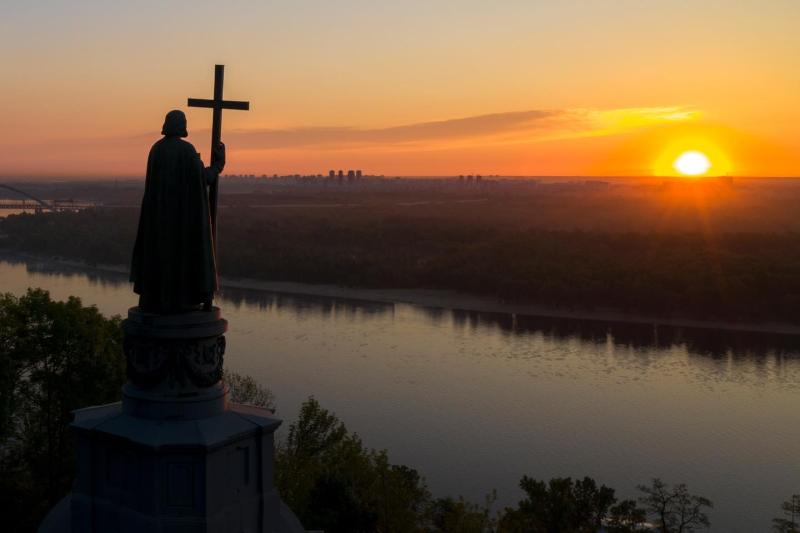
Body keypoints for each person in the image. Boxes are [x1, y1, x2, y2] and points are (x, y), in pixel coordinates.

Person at [130, 109, 225, 313]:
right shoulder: (186, 151)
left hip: (158, 221)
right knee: (182, 257)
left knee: (160, 255)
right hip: (182, 222)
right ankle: (181, 299)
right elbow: (204, 179)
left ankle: (156, 298)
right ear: (181, 125)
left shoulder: (156, 150)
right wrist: (218, 165)